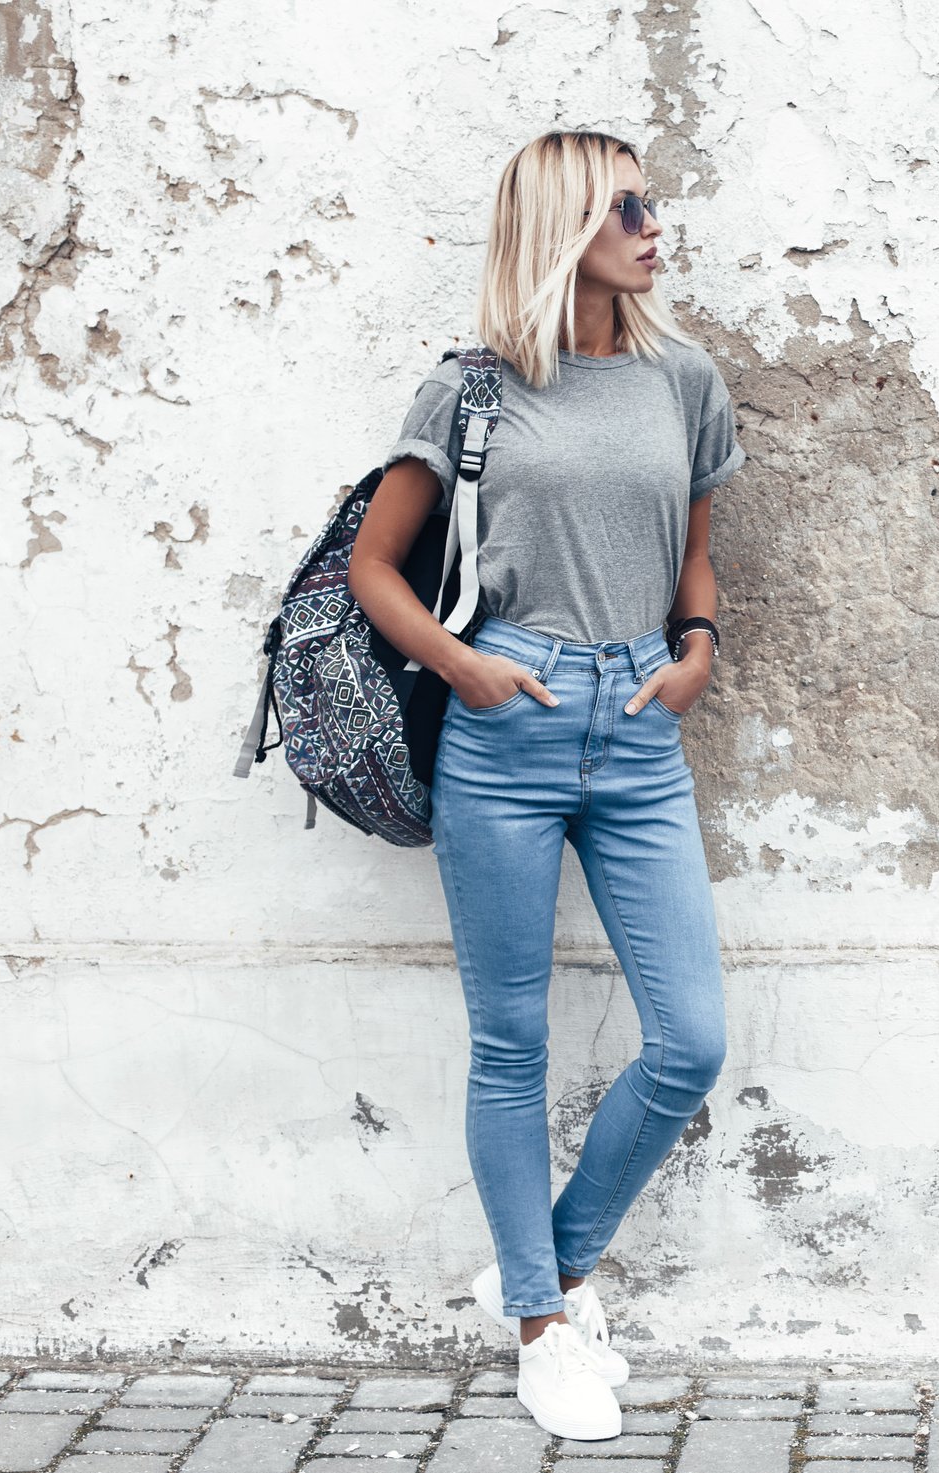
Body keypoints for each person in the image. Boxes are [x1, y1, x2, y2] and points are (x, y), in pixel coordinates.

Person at [348, 129, 743, 1441]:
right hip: (505, 721)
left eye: (649, 199)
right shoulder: (469, 391)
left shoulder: (682, 378)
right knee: (509, 1040)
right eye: (621, 205)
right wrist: (464, 666)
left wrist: (696, 653)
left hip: (637, 725)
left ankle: (551, 1273)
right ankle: (538, 1331)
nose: (650, 222)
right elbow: (375, 569)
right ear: (559, 228)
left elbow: (692, 551)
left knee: (688, 1035)